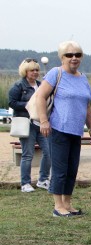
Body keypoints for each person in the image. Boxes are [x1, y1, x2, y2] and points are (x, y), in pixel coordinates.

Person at [34, 41, 91, 217]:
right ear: (62, 57)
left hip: (76, 130)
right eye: (69, 55)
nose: (74, 58)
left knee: (72, 168)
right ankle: (58, 205)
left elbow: (87, 105)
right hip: (59, 128)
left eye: (77, 54)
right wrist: (44, 121)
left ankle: (68, 203)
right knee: (60, 169)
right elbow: (40, 96)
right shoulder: (56, 73)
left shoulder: (83, 78)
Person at [8, 58, 51, 193]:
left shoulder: (41, 85)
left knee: (48, 152)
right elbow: (12, 102)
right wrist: (27, 105)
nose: (35, 72)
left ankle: (43, 179)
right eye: (32, 70)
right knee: (28, 154)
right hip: (26, 124)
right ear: (25, 71)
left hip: (40, 123)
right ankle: (25, 183)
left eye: (37, 70)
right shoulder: (18, 86)